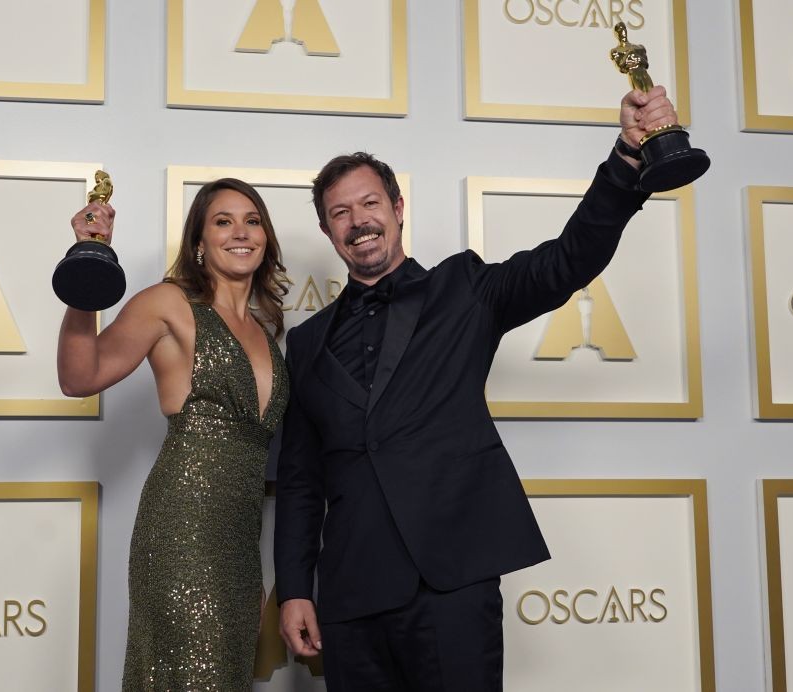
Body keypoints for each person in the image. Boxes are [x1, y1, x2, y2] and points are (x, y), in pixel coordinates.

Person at [274, 86, 679, 690]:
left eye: (369, 203)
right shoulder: (305, 344)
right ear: (329, 231)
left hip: (452, 582)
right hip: (351, 595)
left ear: (398, 206)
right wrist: (293, 590)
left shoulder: (464, 288)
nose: (359, 221)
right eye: (340, 212)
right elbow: (301, 481)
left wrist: (627, 157)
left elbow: (568, 258)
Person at [57, 178, 289, 691]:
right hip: (181, 533)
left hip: (239, 548)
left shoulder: (264, 327)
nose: (241, 232)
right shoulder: (168, 304)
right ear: (199, 242)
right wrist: (86, 270)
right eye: (223, 221)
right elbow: (79, 377)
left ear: (267, 237)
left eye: (252, 221)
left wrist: (251, 566)